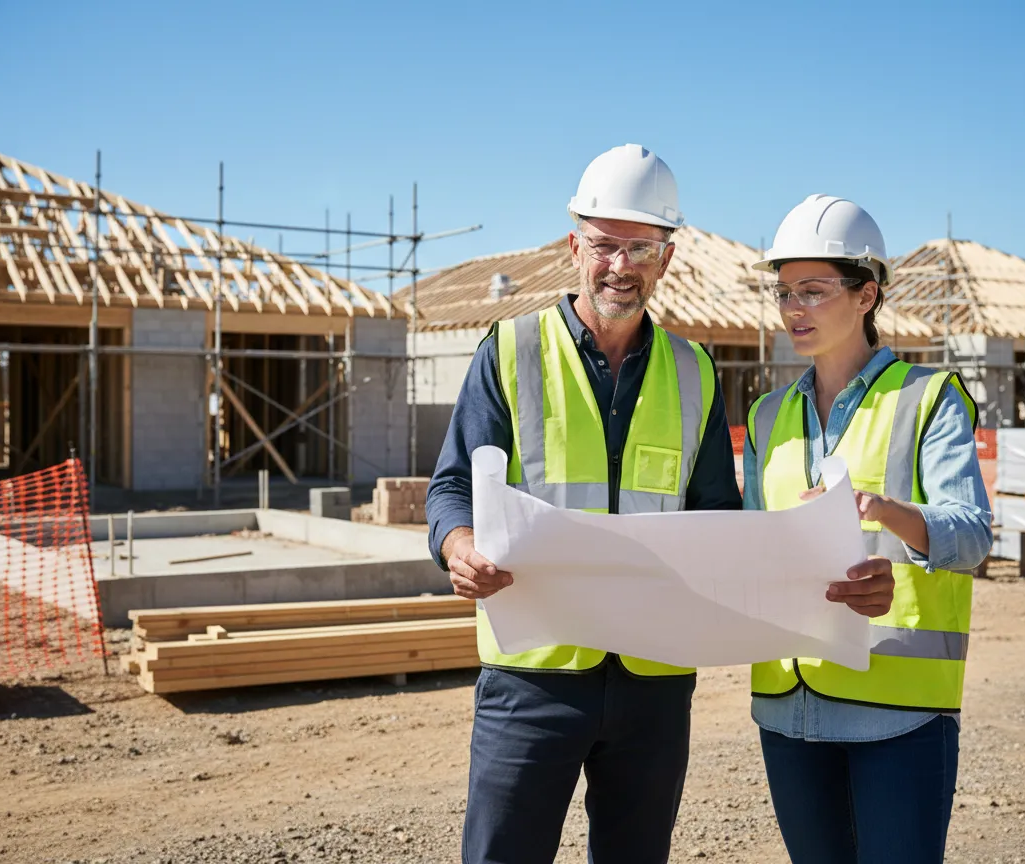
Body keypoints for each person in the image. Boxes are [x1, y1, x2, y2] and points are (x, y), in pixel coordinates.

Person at [424, 143, 742, 863]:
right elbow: (450, 488)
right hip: (534, 669)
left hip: (653, 680)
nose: (619, 266)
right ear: (575, 246)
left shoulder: (694, 372)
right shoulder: (511, 351)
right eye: (604, 245)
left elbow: (718, 516)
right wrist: (460, 545)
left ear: (666, 258)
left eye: (639, 248)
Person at [744, 194, 993, 864]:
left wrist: (885, 512)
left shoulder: (928, 398)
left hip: (899, 712)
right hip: (785, 707)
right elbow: (748, 547)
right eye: (785, 292)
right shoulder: (767, 417)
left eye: (814, 290)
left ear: (866, 295)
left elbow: (971, 537)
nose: (794, 308)